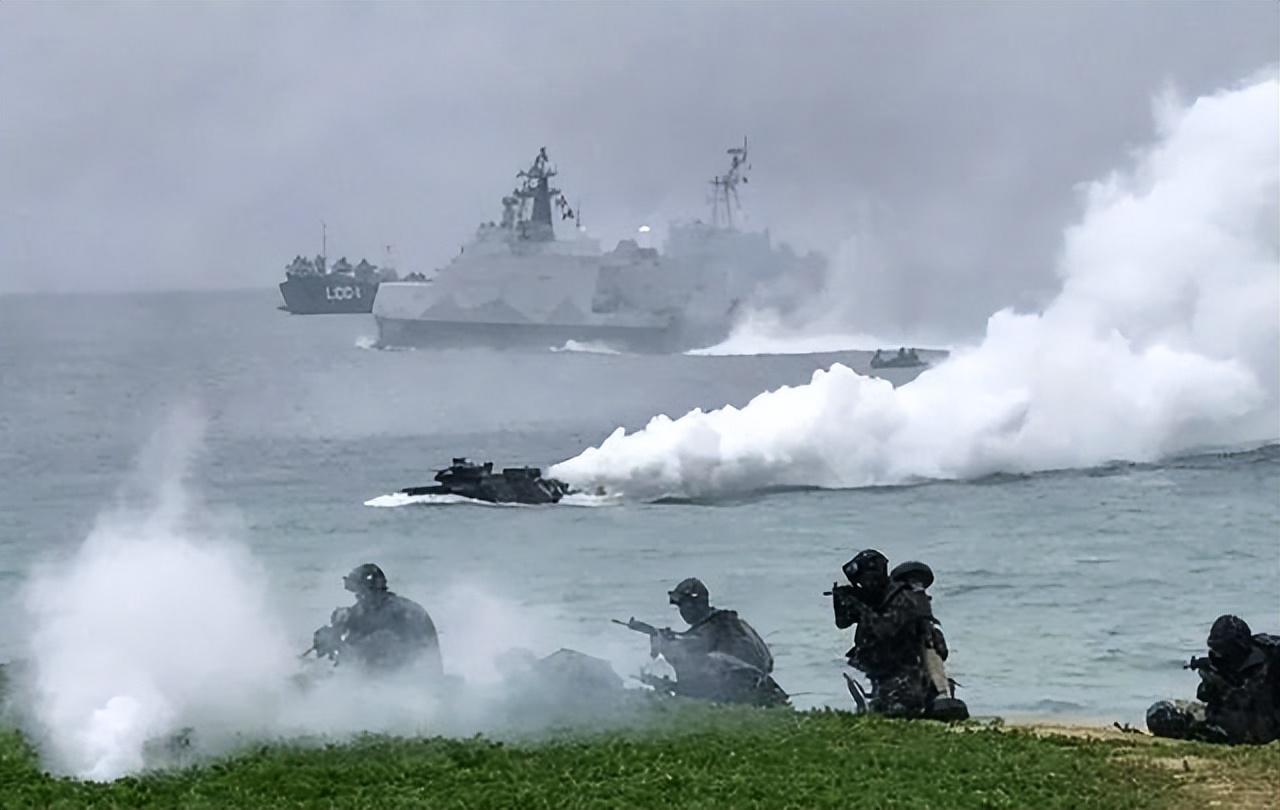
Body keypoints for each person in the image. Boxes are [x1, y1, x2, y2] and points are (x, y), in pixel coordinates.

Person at [830, 549, 968, 720]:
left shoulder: (904, 597)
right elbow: (843, 623)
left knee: (899, 708)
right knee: (892, 706)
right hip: (887, 669)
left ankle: (937, 695)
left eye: (866, 580)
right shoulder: (879, 599)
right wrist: (843, 603)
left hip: (907, 668)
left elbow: (885, 630)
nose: (865, 585)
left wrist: (861, 607)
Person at [621, 577, 787, 706]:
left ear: (697, 604)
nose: (681, 612)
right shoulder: (729, 622)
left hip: (747, 690)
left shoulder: (719, 626)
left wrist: (663, 642)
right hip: (760, 687)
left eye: (683, 606)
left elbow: (690, 649)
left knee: (707, 662)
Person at [1146, 614, 1279, 744]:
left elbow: (1253, 709)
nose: (1219, 656)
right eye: (1216, 651)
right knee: (1160, 716)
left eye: (1224, 651)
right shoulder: (1221, 669)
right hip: (1234, 726)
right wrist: (1213, 680)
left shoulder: (1271, 658)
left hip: (1258, 728)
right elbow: (1207, 697)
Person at [310, 563, 443, 676]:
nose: (358, 598)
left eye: (360, 593)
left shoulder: (398, 615)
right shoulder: (375, 607)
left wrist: (337, 645)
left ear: (369, 591)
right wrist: (332, 632)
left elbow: (370, 650)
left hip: (407, 680)